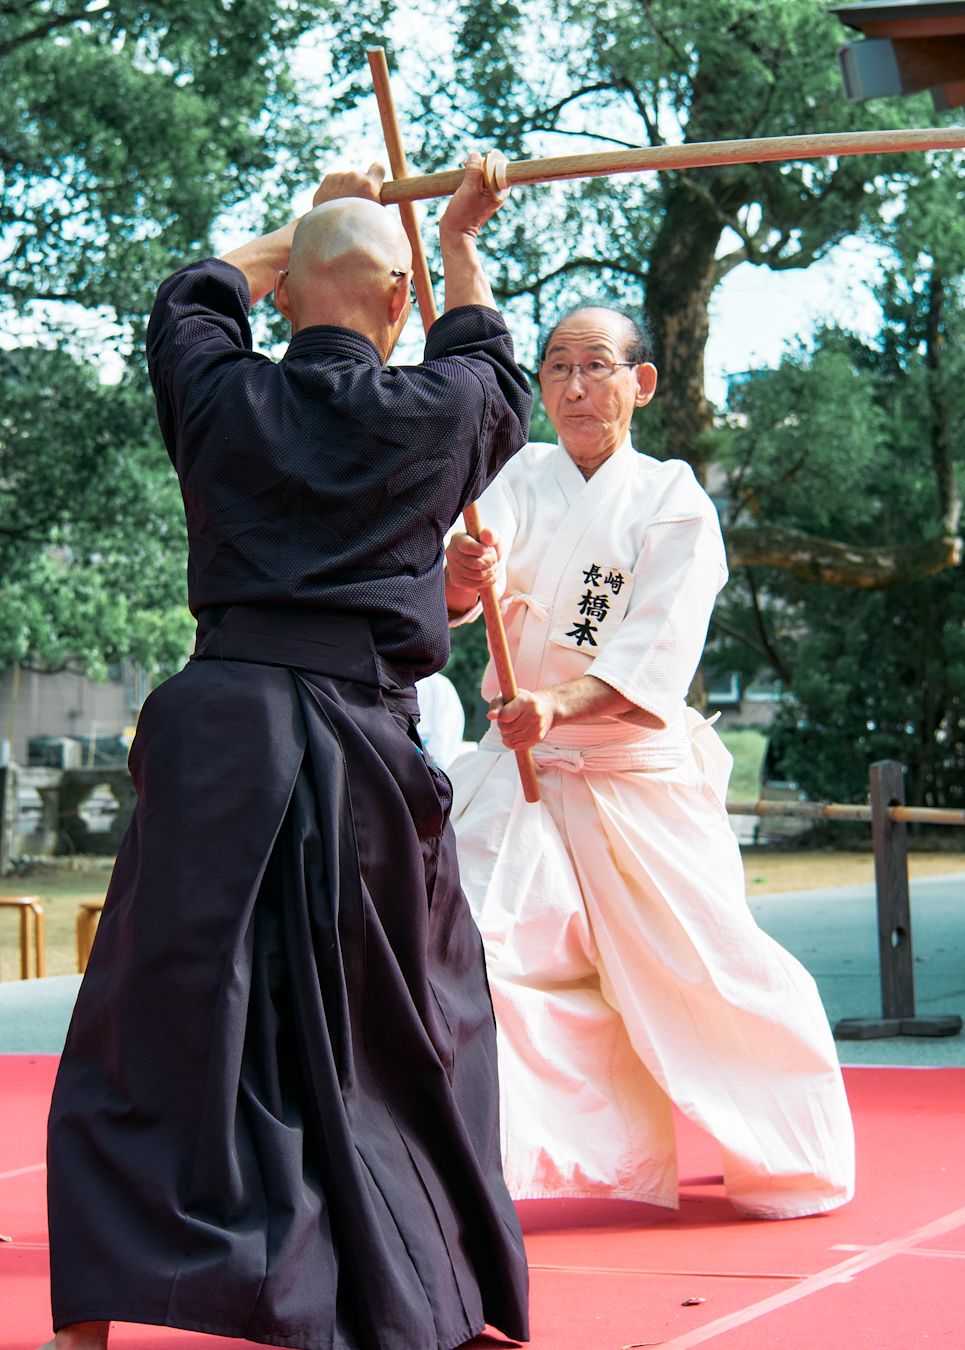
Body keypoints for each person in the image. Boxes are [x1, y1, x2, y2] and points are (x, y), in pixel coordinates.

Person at [42, 156, 532, 1350]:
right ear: (399, 304)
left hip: (219, 737)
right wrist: (457, 240)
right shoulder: (436, 411)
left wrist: (306, 221)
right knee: (407, 1020)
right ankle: (427, 1290)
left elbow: (195, 295)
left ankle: (93, 1314)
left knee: (160, 1010)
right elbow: (490, 362)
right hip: (359, 746)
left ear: (289, 296)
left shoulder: (219, 393)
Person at [444, 304, 855, 1220]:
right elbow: (456, 595)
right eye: (557, 367)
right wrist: (462, 578)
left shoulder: (674, 501)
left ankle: (797, 1154)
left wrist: (559, 703)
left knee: (708, 976)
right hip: (520, 774)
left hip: (630, 775)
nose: (574, 387)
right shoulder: (514, 476)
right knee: (480, 950)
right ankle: (513, 1163)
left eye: (596, 365)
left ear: (642, 383)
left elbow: (656, 650)